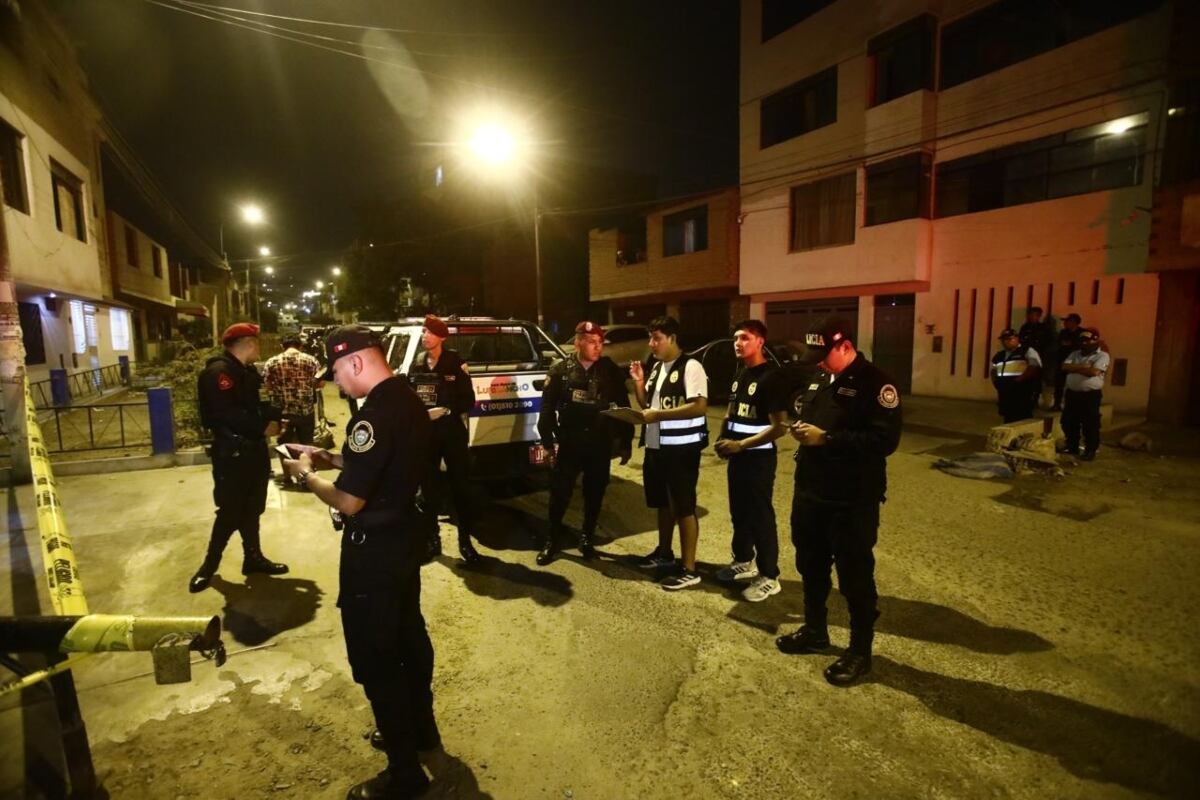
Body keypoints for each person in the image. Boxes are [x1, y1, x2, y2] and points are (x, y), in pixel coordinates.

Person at [282, 325, 440, 800]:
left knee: (376, 654)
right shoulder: (407, 400)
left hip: (373, 551)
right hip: (405, 543)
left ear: (354, 361)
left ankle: (404, 770)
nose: (336, 383)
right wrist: (327, 456)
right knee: (409, 635)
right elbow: (373, 464)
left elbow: (350, 501)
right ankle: (420, 731)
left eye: (335, 372)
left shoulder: (373, 414)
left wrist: (306, 475)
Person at [775, 317, 901, 687]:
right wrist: (804, 431)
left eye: (823, 354)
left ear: (845, 346)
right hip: (812, 491)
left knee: (854, 576)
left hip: (851, 498)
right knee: (810, 565)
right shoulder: (819, 377)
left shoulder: (876, 384)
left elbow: (884, 442)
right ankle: (816, 632)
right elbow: (813, 418)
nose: (817, 361)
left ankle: (860, 652)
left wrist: (827, 439)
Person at [189, 322, 288, 593]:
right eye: (256, 343)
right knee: (230, 511)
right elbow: (225, 414)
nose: (258, 348)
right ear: (247, 344)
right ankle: (209, 566)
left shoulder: (247, 372)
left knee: (253, 507)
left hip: (253, 452)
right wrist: (261, 426)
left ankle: (253, 558)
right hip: (231, 454)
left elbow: (256, 405)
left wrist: (276, 418)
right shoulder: (218, 373)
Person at [535, 320, 634, 565]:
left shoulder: (609, 369)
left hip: (600, 444)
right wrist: (547, 443)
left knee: (595, 493)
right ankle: (552, 541)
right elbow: (546, 410)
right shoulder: (560, 370)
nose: (597, 347)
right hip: (570, 443)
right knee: (560, 495)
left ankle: (587, 538)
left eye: (600, 343)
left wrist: (626, 442)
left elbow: (623, 407)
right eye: (591, 342)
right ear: (578, 342)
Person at [629, 316, 709, 591]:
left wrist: (659, 414)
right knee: (663, 503)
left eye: (657, 338)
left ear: (672, 338)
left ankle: (690, 569)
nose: (652, 344)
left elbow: (699, 406)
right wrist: (639, 383)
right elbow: (646, 405)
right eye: (651, 338)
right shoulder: (656, 368)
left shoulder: (691, 366)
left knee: (684, 506)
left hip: (681, 450)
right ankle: (664, 553)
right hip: (656, 447)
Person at [714, 320, 789, 602]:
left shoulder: (771, 377)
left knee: (760, 517)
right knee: (740, 513)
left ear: (760, 342)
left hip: (758, 460)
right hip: (738, 458)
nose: (738, 343)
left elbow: (780, 426)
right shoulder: (740, 373)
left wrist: (740, 445)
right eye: (735, 338)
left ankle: (770, 576)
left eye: (745, 338)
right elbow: (731, 410)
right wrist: (723, 438)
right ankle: (744, 560)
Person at [408, 314, 481, 564]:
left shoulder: (455, 362)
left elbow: (469, 400)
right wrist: (421, 414)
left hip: (451, 433)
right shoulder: (417, 364)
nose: (424, 336)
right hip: (426, 436)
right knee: (428, 491)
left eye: (429, 333)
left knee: (461, 488)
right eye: (423, 332)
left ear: (441, 337)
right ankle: (432, 539)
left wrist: (447, 410)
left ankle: (465, 542)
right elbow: (409, 399)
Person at [263, 334, 324, 485]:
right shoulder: (311, 360)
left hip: (283, 413)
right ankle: (307, 478)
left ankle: (287, 477)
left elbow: (267, 386)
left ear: (282, 346)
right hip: (305, 411)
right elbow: (321, 384)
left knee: (284, 446)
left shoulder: (272, 362)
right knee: (307, 446)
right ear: (300, 346)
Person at [1058, 327, 1109, 461]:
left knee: (1090, 423)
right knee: (1068, 421)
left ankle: (1090, 450)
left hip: (1090, 395)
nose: (1084, 344)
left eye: (1087, 341)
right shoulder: (1075, 354)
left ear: (1095, 341)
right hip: (1072, 394)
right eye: (1082, 341)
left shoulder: (1102, 356)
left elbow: (1094, 372)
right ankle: (1072, 446)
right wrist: (1085, 367)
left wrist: (1074, 368)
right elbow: (1064, 367)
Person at [990, 328, 1042, 423]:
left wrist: (1018, 380)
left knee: (1022, 417)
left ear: (1017, 338)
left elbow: (1034, 367)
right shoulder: (999, 355)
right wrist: (996, 383)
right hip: (1004, 391)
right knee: (1007, 417)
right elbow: (993, 370)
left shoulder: (1027, 350)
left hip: (1021, 390)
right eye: (1004, 339)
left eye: (1010, 339)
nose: (1006, 342)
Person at [1052, 313, 1083, 411]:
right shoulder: (1063, 332)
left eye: (1068, 321)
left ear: (1074, 323)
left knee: (1075, 384)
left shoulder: (1081, 333)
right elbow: (1060, 345)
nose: (1065, 323)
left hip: (1076, 363)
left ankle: (1073, 405)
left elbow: (1079, 347)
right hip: (1062, 361)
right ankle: (1057, 404)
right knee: (1059, 384)